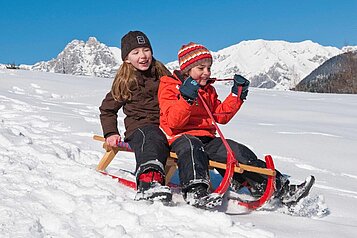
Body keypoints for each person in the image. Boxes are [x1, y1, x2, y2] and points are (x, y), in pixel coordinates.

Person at [158, 42, 315, 209]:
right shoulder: (170, 86)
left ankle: (281, 189)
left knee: (236, 151)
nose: (207, 73)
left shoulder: (208, 90)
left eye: (209, 68)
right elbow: (174, 122)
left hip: (207, 138)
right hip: (179, 138)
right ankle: (195, 191)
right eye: (201, 68)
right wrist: (186, 98)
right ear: (186, 70)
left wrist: (237, 95)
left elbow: (220, 116)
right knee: (192, 147)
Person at [99, 31, 172, 202]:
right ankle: (148, 181)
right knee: (151, 137)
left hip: (166, 126)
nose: (143, 56)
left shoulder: (162, 74)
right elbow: (107, 109)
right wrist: (111, 133)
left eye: (146, 50)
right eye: (136, 52)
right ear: (126, 58)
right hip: (139, 129)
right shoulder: (126, 80)